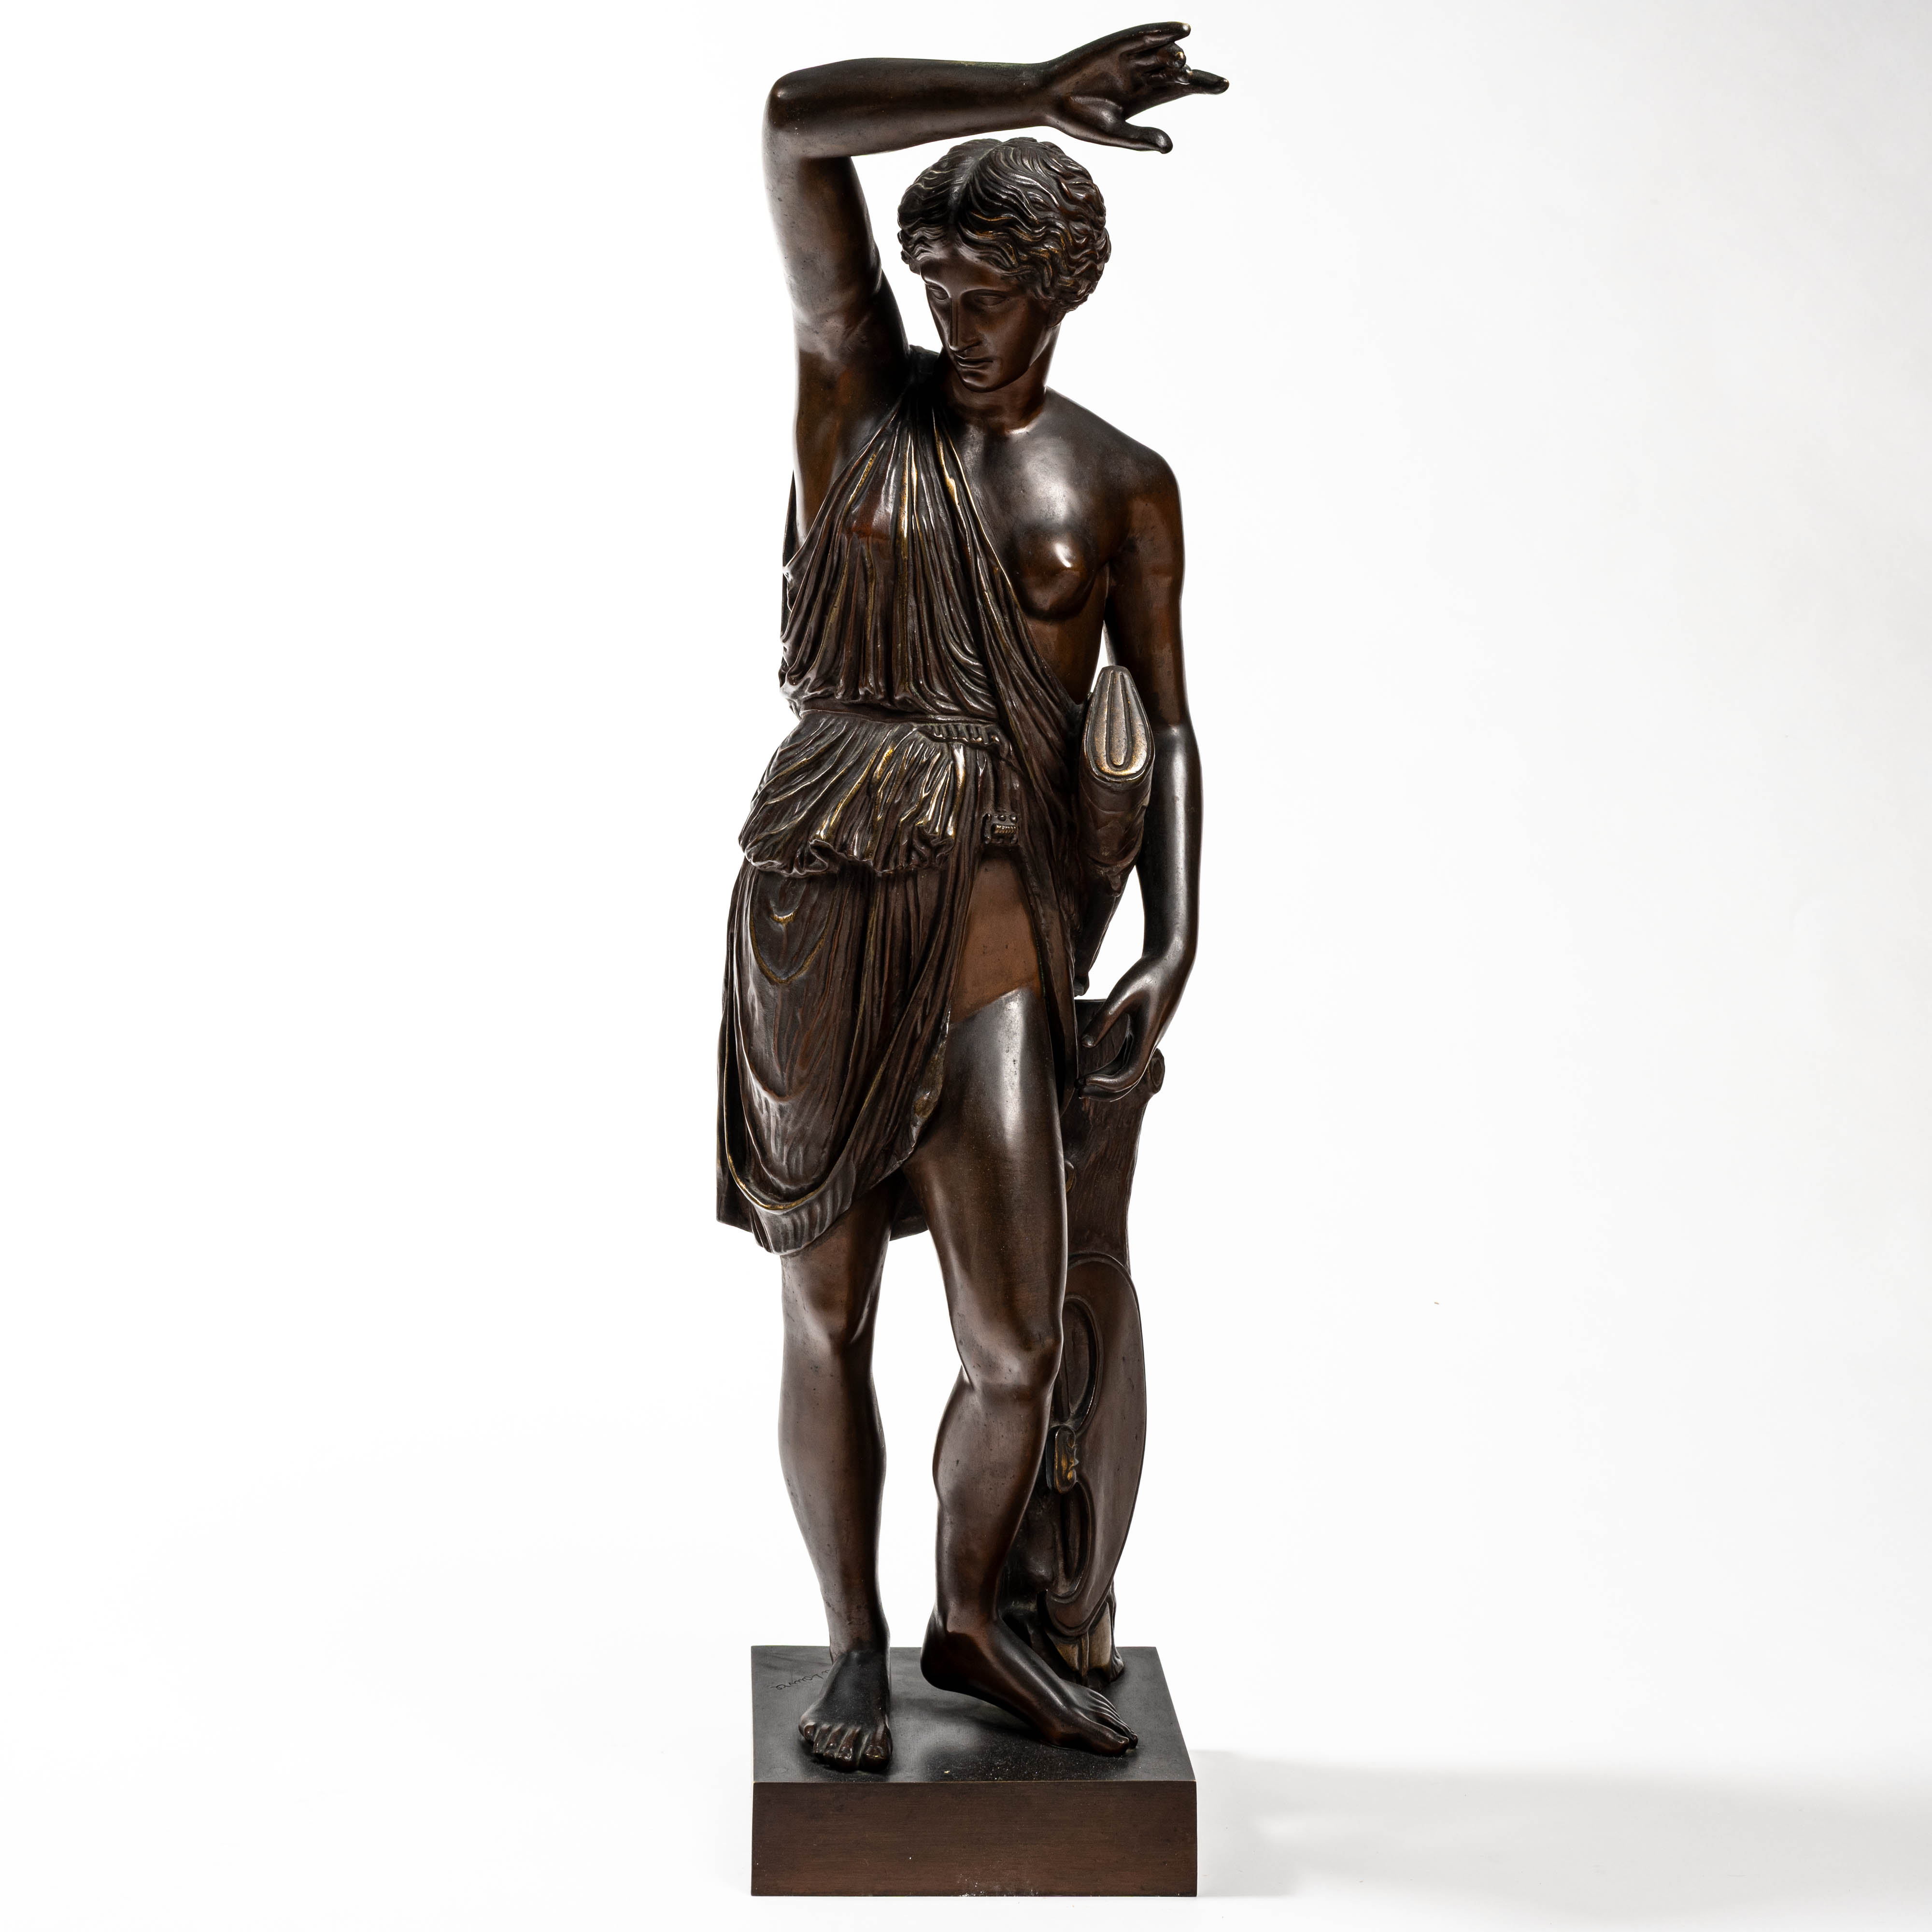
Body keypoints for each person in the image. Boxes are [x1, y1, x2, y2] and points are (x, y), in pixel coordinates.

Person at [717, 23, 1223, 1771]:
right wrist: (1026, 92)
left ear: (1061, 289)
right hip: (823, 903)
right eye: (937, 285)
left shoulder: (1120, 483)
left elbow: (1166, 727)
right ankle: (855, 1643)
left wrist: (1176, 937)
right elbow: (794, 127)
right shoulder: (860, 402)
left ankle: (973, 1618)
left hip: (1002, 918)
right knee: (828, 1309)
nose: (958, 320)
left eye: (991, 293)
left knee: (1015, 1337)